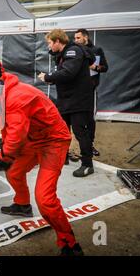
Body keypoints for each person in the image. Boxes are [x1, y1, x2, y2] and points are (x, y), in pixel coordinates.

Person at [0, 70, 83, 256]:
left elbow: (16, 135)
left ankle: (69, 242)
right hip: (33, 139)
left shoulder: (14, 99)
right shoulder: (3, 94)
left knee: (45, 200)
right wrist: (4, 158)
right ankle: (22, 205)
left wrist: (3, 157)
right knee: (13, 171)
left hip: (53, 142)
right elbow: (9, 132)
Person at [38, 29, 95, 178]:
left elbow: (68, 73)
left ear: (58, 41)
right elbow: (58, 59)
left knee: (80, 132)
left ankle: (87, 165)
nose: (48, 46)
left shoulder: (73, 51)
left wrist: (48, 77)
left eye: (50, 43)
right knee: (62, 131)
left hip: (79, 100)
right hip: (66, 100)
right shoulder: (63, 53)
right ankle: (63, 158)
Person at [74, 29, 109, 156]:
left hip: (90, 90)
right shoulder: (74, 51)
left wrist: (94, 67)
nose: (76, 40)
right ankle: (79, 147)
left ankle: (90, 145)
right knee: (77, 119)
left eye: (78, 38)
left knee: (90, 118)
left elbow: (105, 68)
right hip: (76, 90)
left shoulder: (96, 50)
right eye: (75, 38)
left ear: (85, 37)